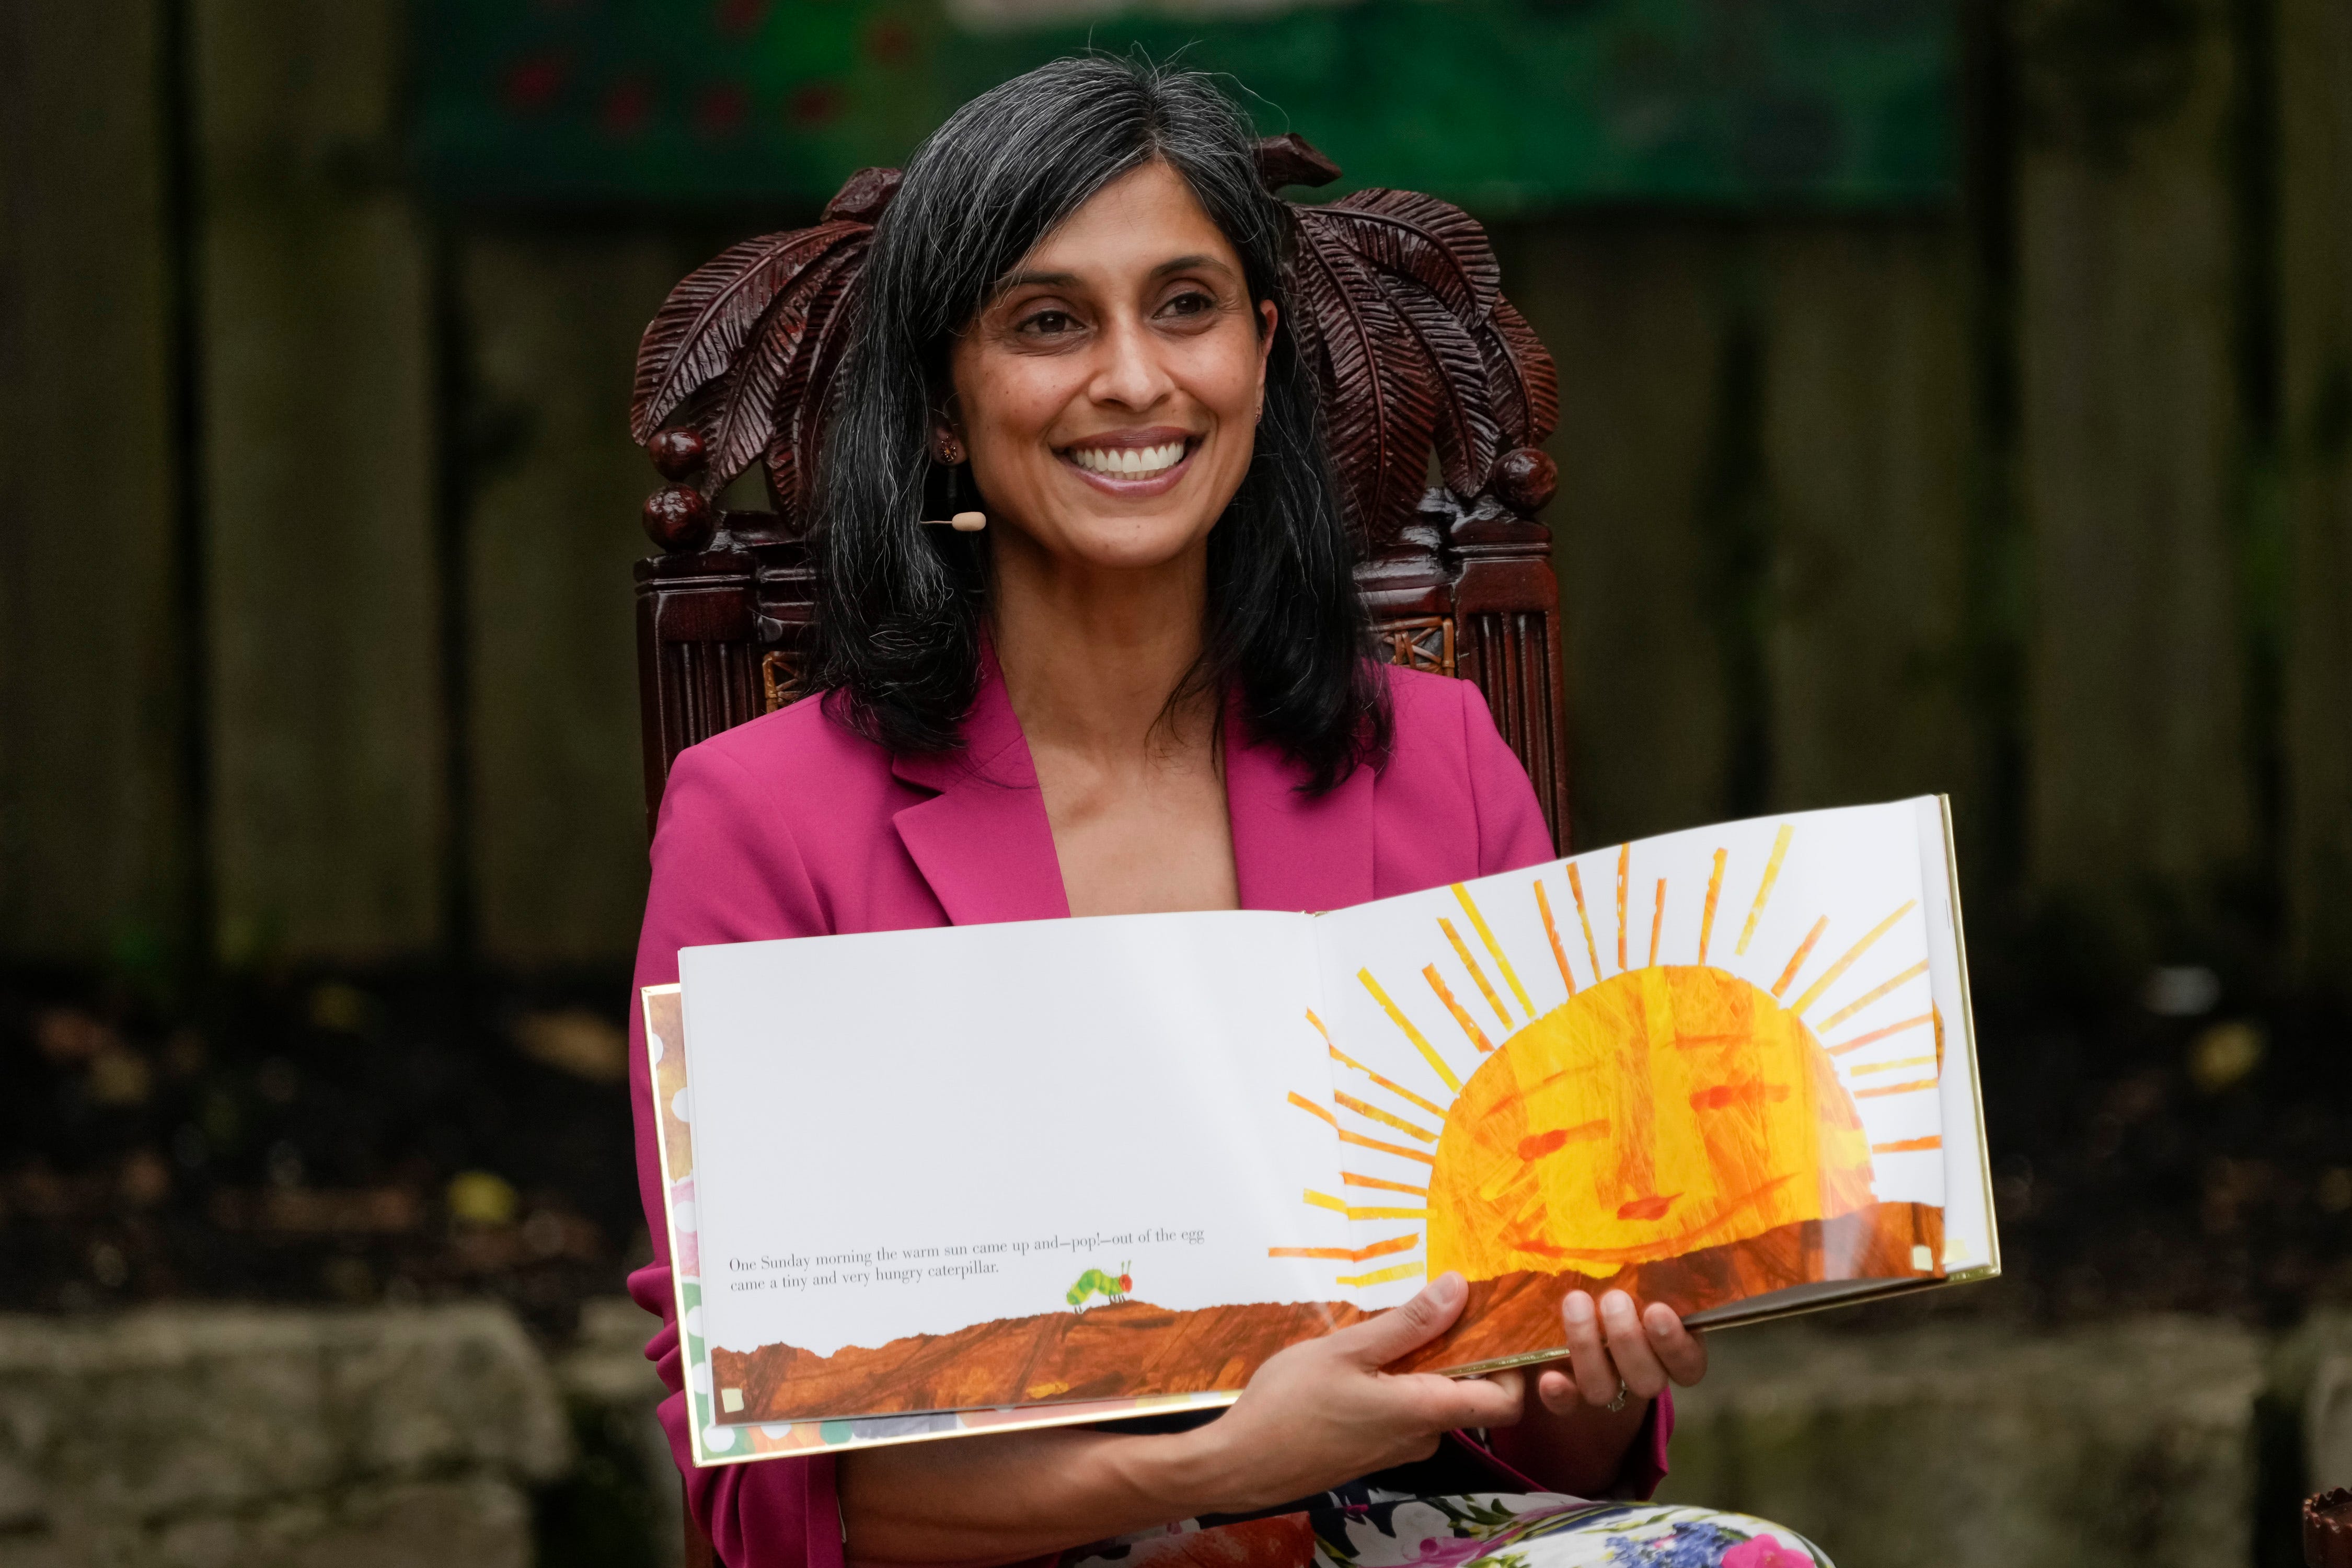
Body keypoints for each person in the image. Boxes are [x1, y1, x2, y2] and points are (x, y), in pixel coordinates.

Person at [626, 55, 1832, 1568]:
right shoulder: (762, 815)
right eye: (1048, 321)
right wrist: (1209, 1469)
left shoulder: (1442, 759)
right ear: (944, 401)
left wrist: (1595, 1374)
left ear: (1259, 357)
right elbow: (760, 1491)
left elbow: (1541, 1442)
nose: (1134, 379)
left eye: (1184, 306)